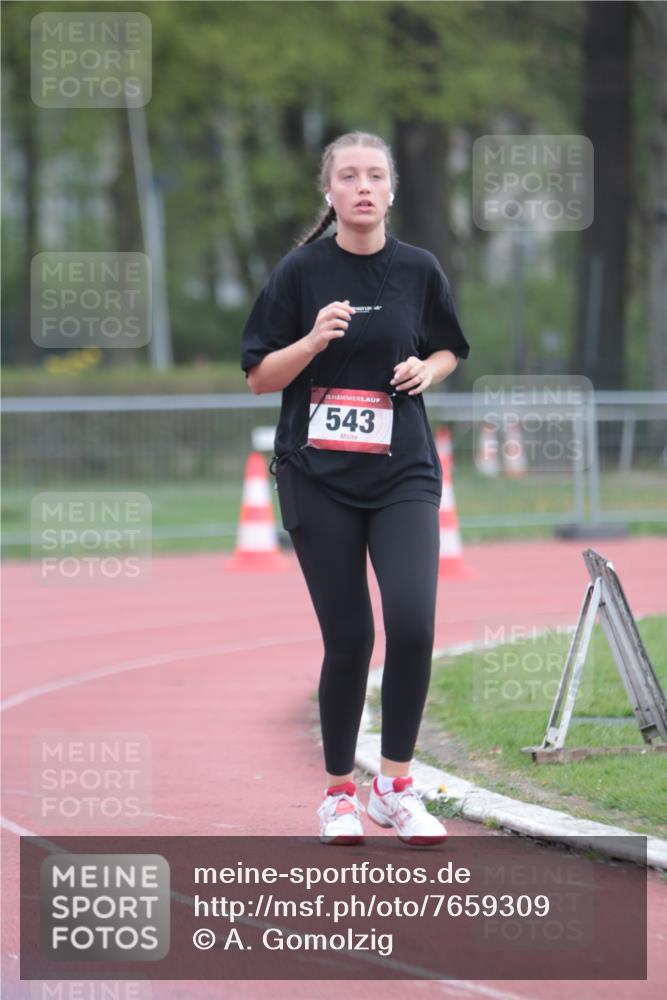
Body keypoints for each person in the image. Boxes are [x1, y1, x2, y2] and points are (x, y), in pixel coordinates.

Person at [240, 130, 470, 846]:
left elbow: (449, 347)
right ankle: (339, 792)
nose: (363, 187)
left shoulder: (418, 269)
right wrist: (311, 342)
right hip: (318, 478)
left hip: (401, 472)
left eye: (375, 175)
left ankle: (393, 786)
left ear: (392, 190)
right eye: (349, 176)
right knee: (348, 639)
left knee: (412, 624)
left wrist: (427, 371)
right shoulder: (300, 272)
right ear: (329, 191)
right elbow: (258, 376)